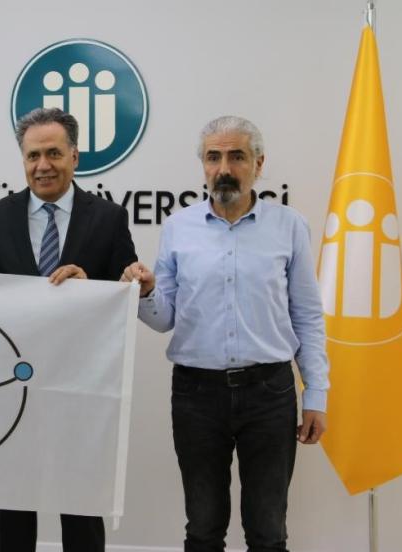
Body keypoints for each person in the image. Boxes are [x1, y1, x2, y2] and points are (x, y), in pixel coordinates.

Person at [122, 115, 329, 552]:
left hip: (270, 392)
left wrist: (316, 395)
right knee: (203, 527)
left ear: (259, 163)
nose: (224, 169)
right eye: (213, 157)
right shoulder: (178, 227)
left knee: (268, 531)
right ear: (203, 165)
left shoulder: (290, 226)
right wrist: (147, 292)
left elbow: (308, 316)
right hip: (197, 395)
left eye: (236, 156)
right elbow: (164, 319)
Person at [0, 107, 138, 552]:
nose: (43, 165)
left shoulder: (109, 218)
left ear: (75, 156)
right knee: (14, 512)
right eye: (33, 155)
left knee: (81, 513)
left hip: (81, 390)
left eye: (54, 153)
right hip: (12, 388)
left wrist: (91, 288)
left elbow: (127, 295)